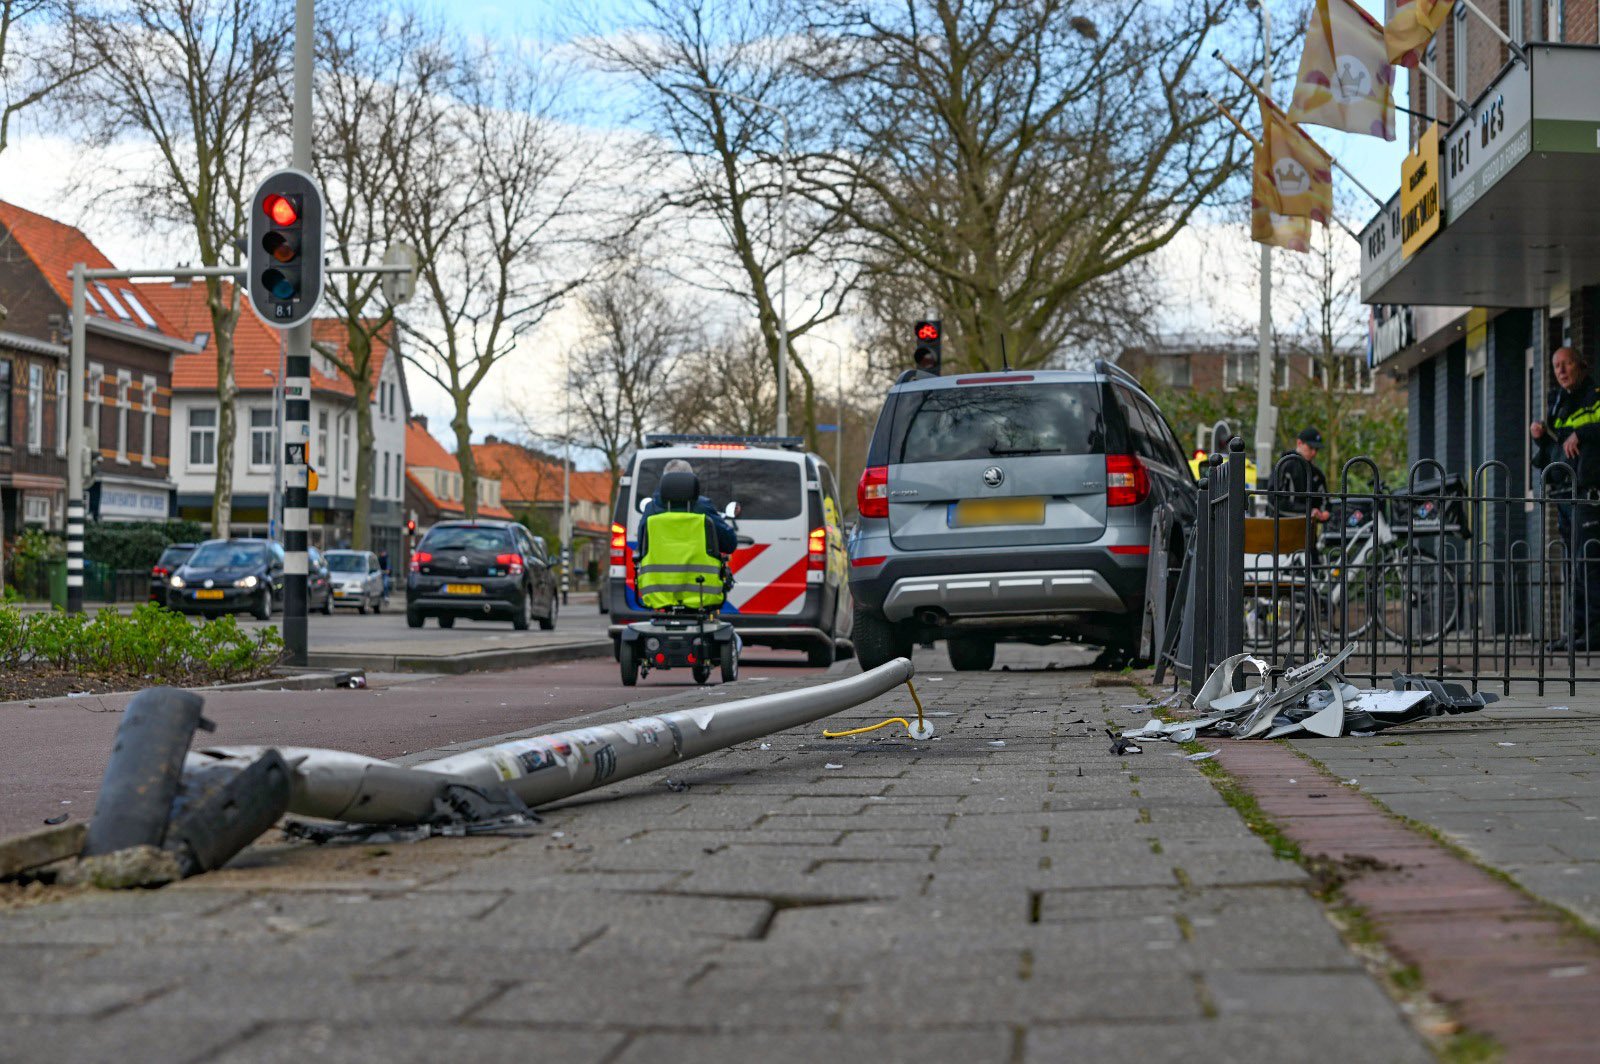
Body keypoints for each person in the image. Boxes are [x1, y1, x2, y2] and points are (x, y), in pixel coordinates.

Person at [1531, 346, 1600, 650]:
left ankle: (1594, 633)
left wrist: (1582, 434)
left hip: (1588, 493)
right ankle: (1575, 630)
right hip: (1565, 494)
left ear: (1579, 365)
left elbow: (1588, 432)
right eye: (1556, 365)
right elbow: (1557, 448)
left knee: (1590, 564)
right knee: (1573, 565)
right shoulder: (1558, 401)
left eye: (1566, 364)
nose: (1560, 370)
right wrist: (1540, 438)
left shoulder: (1594, 394)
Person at [639, 458, 736, 555]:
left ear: (664, 481)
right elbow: (729, 544)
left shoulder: (651, 509)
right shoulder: (703, 507)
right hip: (700, 570)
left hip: (657, 570)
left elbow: (642, 546)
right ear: (691, 480)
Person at [1270, 427, 1332, 523]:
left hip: (1308, 529)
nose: (1314, 452)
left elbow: (1324, 501)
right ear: (1299, 443)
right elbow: (1275, 500)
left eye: (1316, 449)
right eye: (1311, 447)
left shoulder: (1317, 474)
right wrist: (1308, 510)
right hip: (1284, 527)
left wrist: (1325, 513)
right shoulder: (1284, 465)